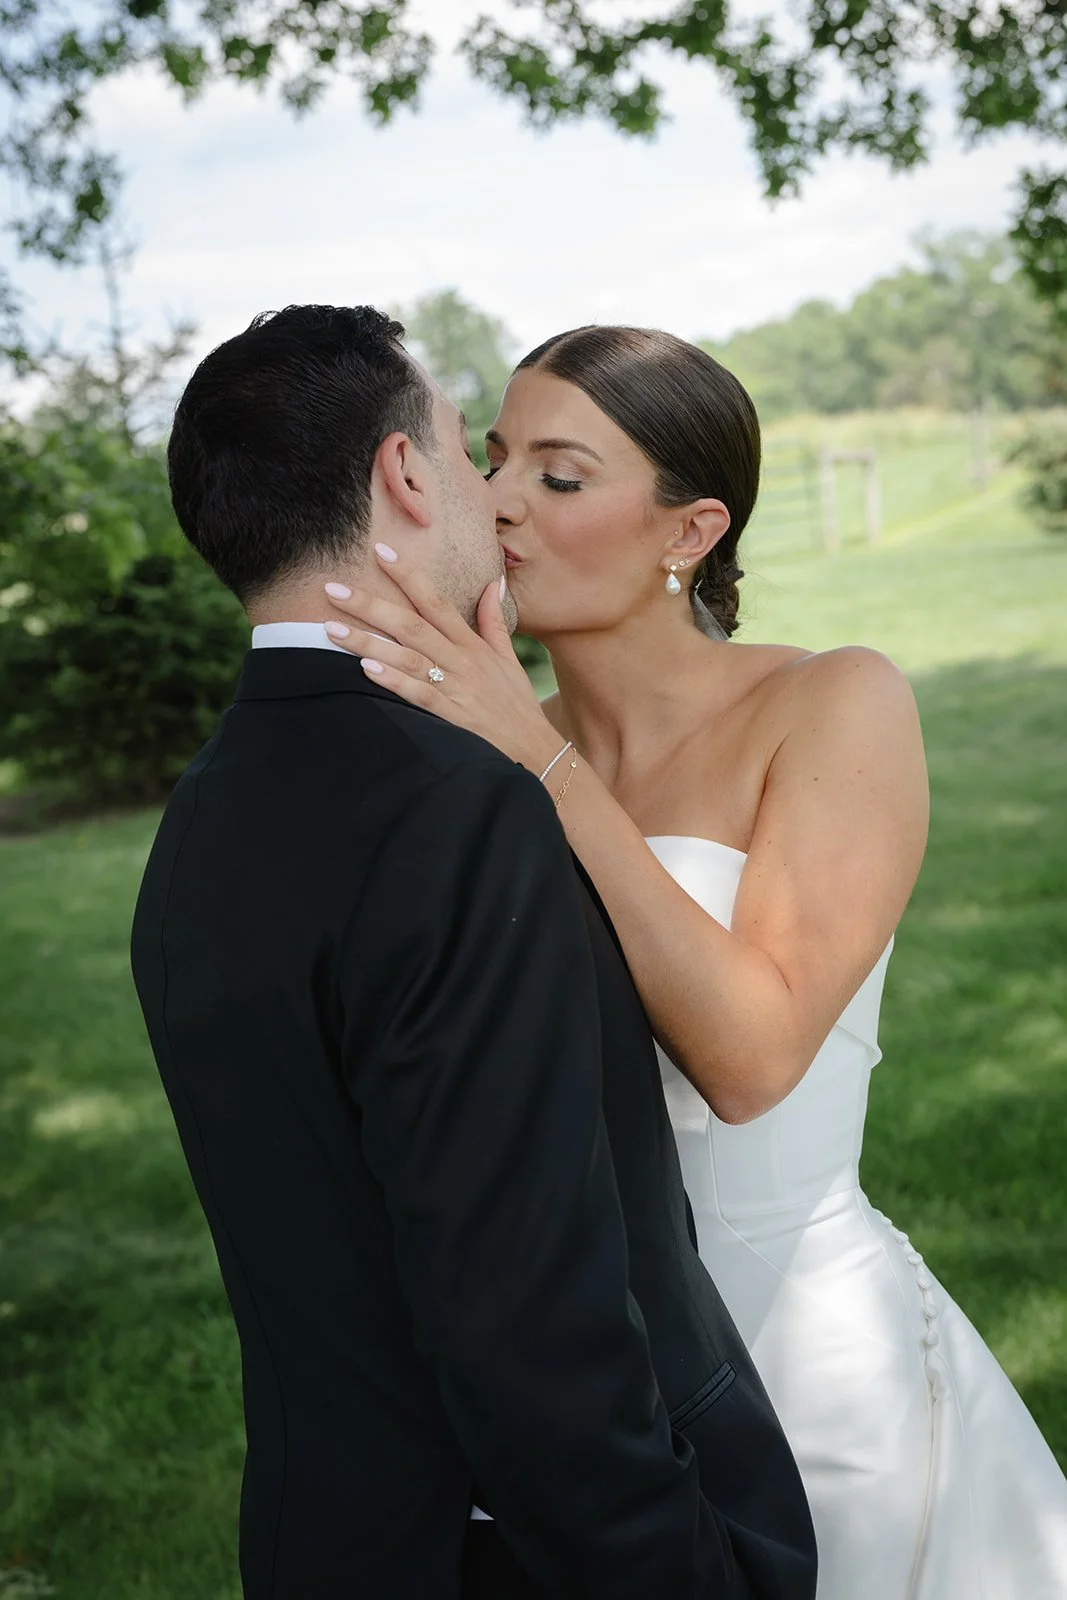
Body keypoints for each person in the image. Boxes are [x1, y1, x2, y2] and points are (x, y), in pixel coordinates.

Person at [322, 322, 1067, 1599]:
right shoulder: (472, 745)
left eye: (557, 476)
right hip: (573, 1379)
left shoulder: (833, 703)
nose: (495, 502)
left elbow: (752, 1054)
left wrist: (536, 759)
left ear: (688, 532)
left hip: (807, 1363)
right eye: (492, 459)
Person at [131, 305, 817, 1599]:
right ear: (401, 475)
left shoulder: (203, 814)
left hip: (326, 1541)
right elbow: (527, 1325)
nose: (492, 499)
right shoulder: (455, 808)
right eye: (466, 450)